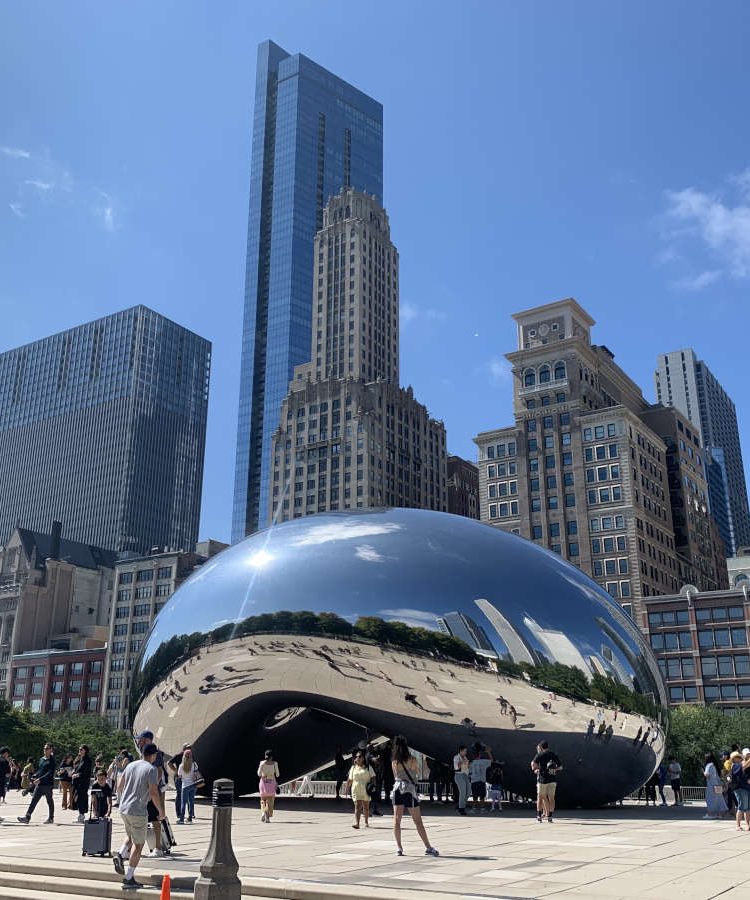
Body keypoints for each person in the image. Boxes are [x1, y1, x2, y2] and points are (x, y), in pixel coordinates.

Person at [112, 743, 165, 890]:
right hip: (138, 810)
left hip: (124, 808)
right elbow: (154, 792)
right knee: (139, 844)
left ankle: (120, 855)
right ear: (153, 755)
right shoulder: (151, 769)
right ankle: (129, 878)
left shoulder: (131, 765)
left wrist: (122, 800)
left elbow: (119, 785)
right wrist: (160, 811)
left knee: (130, 835)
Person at [390, 735, 438, 857]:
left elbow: (396, 775)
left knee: (396, 820)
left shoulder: (395, 762)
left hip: (397, 789)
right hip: (409, 790)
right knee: (418, 821)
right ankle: (428, 847)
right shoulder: (412, 760)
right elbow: (417, 773)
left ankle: (399, 847)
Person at [135, 730, 168, 856]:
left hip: (152, 791)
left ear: (146, 739)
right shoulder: (143, 751)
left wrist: (153, 786)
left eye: (140, 739)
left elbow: (159, 771)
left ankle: (158, 848)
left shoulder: (156, 753)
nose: (138, 741)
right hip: (144, 791)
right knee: (141, 819)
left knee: (155, 819)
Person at [17, 743, 56, 824]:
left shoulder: (52, 761)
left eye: (47, 748)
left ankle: (51, 818)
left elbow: (50, 772)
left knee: (49, 801)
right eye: (44, 748)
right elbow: (40, 770)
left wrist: (40, 779)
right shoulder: (42, 759)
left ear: (51, 750)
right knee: (34, 800)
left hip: (47, 785)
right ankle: (27, 817)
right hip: (40, 784)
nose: (45, 750)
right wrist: (35, 775)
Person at [531, 740, 562, 824]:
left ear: (541, 747)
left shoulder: (540, 755)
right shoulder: (553, 755)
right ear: (548, 747)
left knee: (540, 798)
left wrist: (537, 769)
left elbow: (533, 765)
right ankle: (550, 817)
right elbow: (560, 767)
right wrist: (553, 769)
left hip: (542, 780)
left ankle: (539, 816)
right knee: (551, 798)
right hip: (552, 780)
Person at [346, 749, 375, 829]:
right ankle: (357, 823)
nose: (357, 758)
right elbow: (350, 779)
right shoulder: (353, 768)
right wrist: (347, 788)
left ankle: (366, 821)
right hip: (356, 788)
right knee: (357, 806)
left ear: (363, 758)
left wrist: (372, 786)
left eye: (359, 756)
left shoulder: (368, 767)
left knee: (366, 807)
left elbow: (373, 777)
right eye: (356, 756)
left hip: (366, 789)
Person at [168, 742, 191, 823]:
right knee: (179, 794)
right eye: (187, 748)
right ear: (183, 748)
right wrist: (176, 771)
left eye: (190, 748)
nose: (189, 749)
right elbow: (169, 762)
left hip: (186, 778)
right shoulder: (178, 756)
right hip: (179, 777)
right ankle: (179, 813)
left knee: (187, 795)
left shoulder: (189, 755)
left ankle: (189, 814)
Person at [179, 748, 201, 824]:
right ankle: (190, 818)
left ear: (184, 756)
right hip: (193, 785)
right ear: (191, 756)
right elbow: (196, 773)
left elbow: (180, 776)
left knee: (183, 803)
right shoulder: (194, 764)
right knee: (191, 802)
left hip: (185, 786)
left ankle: (181, 819)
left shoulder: (181, 766)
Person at [71, 745, 93, 823]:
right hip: (77, 782)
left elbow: (86, 772)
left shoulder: (87, 760)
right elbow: (75, 768)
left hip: (83, 783)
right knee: (77, 798)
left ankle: (82, 815)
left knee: (81, 798)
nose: (79, 750)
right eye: (79, 749)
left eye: (81, 749)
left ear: (85, 751)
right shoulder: (79, 759)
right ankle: (80, 813)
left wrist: (77, 775)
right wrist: (73, 772)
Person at [730, 749, 750, 831]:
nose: (738, 758)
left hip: (746, 788)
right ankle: (737, 825)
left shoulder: (743, 764)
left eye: (739, 756)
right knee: (741, 806)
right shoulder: (735, 765)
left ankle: (748, 825)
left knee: (747, 808)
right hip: (740, 788)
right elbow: (744, 766)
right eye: (736, 757)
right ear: (733, 759)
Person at [702, 753, 728, 818]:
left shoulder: (708, 765)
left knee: (710, 799)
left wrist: (703, 771)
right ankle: (720, 814)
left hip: (711, 785)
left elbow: (707, 775)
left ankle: (710, 814)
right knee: (719, 799)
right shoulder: (714, 765)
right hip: (717, 784)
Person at [257, 750, 279, 823]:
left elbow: (259, 774)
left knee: (263, 800)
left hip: (263, 783)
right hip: (271, 783)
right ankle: (267, 817)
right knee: (270, 802)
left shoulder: (262, 763)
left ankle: (263, 813)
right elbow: (278, 775)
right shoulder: (275, 764)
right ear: (272, 757)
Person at [469, 744, 492, 814]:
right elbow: (491, 760)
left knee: (475, 796)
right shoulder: (484, 762)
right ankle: (482, 809)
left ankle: (473, 809)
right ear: (479, 755)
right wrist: (488, 752)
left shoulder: (471, 763)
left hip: (474, 781)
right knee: (482, 796)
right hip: (481, 781)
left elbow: (469, 773)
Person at [453, 744, 470, 816]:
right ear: (460, 751)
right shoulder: (456, 757)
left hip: (465, 775)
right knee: (462, 792)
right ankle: (461, 809)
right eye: (464, 751)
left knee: (468, 791)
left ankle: (460, 804)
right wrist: (462, 761)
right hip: (458, 775)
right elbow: (456, 767)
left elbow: (466, 768)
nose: (465, 752)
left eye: (466, 751)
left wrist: (468, 764)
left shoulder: (465, 757)